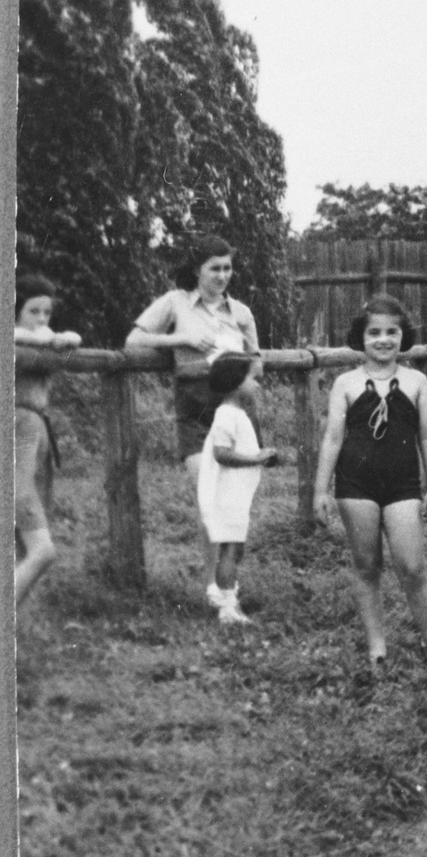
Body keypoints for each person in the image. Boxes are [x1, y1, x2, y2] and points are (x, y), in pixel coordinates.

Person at [126, 235, 261, 600]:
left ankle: (226, 584)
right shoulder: (176, 303)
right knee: (208, 497)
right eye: (214, 269)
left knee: (233, 503)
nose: (222, 276)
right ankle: (214, 584)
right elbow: (133, 342)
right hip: (195, 407)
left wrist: (239, 374)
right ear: (197, 270)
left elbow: (257, 362)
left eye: (227, 268)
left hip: (233, 408)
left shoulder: (241, 313)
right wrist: (180, 338)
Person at [313, 295, 427, 664]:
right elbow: (333, 438)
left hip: (403, 486)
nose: (383, 340)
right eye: (374, 333)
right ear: (361, 337)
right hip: (356, 486)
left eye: (392, 332)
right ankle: (377, 649)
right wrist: (320, 489)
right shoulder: (345, 383)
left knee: (412, 565)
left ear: (404, 336)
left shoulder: (417, 381)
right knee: (367, 565)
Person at [198, 353, 286, 625]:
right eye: (254, 379)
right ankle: (227, 607)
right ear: (236, 382)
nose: (258, 385)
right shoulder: (226, 415)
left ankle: (229, 599)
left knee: (235, 549)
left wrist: (261, 455)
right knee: (230, 549)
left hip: (236, 495)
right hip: (226, 495)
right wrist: (256, 458)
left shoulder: (237, 413)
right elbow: (222, 454)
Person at [15, 274, 81, 606]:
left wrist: (55, 338)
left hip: (35, 427)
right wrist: (52, 339)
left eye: (46, 313)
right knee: (42, 551)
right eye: (33, 312)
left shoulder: (36, 342)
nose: (41, 320)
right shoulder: (16, 346)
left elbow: (66, 340)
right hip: (20, 424)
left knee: (28, 550)